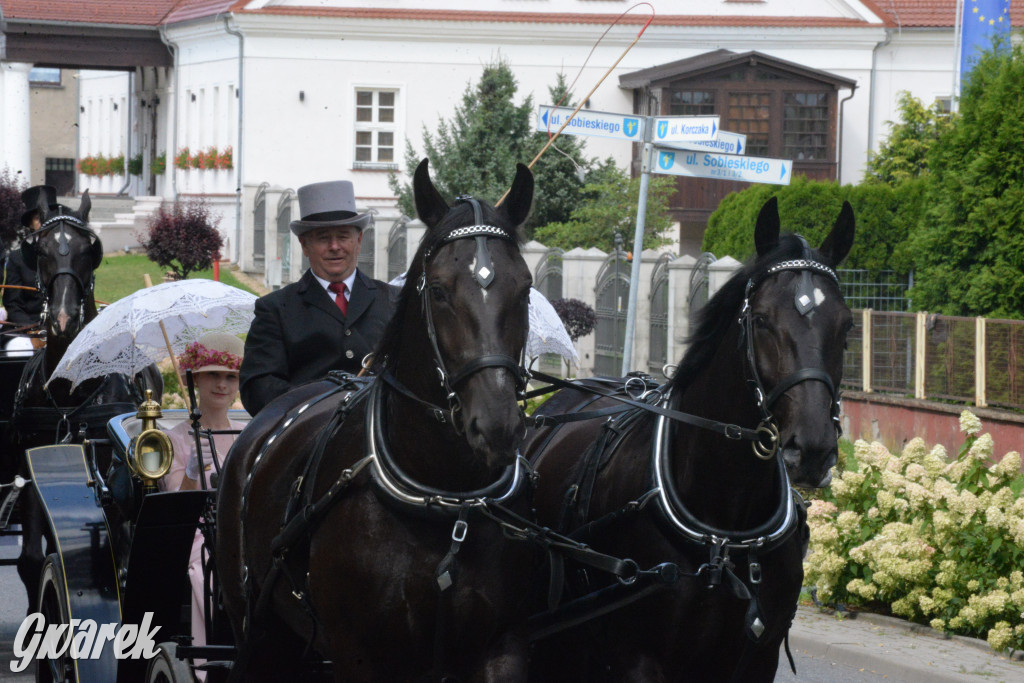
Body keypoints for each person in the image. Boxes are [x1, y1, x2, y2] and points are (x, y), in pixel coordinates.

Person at [239, 180, 396, 414]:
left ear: (359, 241)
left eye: (343, 236)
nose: (335, 246)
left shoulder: (394, 301)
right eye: (323, 238)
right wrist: (320, 405)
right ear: (304, 245)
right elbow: (257, 388)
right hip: (307, 438)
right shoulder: (275, 309)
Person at [160, 332, 246, 678]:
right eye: (213, 375)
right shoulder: (176, 438)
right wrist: (194, 469)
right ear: (195, 379)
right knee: (210, 562)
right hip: (198, 534)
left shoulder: (247, 434)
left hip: (245, 531)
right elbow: (177, 501)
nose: (222, 385)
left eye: (230, 376)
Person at [2, 185, 59, 354]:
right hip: (26, 331)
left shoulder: (69, 256)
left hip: (62, 328)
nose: (44, 222)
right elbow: (13, 304)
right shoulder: (17, 258)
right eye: (38, 218)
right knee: (19, 350)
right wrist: (33, 331)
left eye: (49, 216)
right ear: (31, 224)